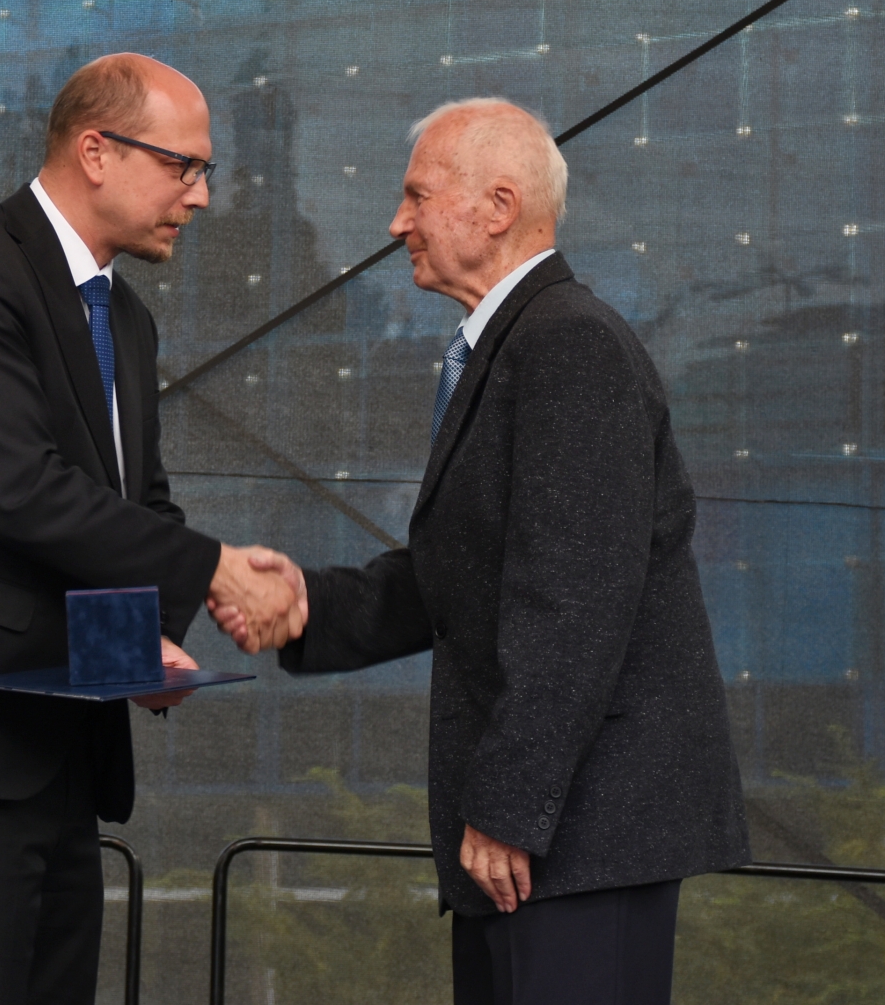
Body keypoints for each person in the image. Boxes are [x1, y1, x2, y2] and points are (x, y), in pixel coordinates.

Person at [214, 98, 750, 1005]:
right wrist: (307, 603)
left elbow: (574, 601)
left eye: (417, 196)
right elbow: (465, 577)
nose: (398, 223)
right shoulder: (514, 344)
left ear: (500, 206)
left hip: (576, 836)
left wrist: (509, 806)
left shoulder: (568, 343)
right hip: (546, 840)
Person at [0, 53, 302, 1005]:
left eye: (204, 172)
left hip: (60, 750)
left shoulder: (127, 321)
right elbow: (17, 492)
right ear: (96, 151)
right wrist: (214, 570)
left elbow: (132, 504)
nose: (201, 196)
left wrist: (140, 645)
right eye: (183, 167)